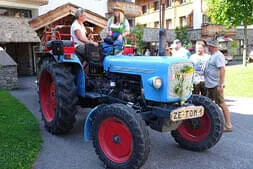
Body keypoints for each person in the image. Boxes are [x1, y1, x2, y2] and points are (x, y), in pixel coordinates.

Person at [204, 38, 232, 132]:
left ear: (212, 46)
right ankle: (209, 124)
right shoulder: (213, 55)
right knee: (208, 104)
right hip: (210, 85)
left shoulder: (218, 56)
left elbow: (222, 70)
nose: (207, 47)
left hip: (215, 85)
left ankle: (228, 125)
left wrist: (220, 85)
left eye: (208, 45)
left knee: (221, 103)